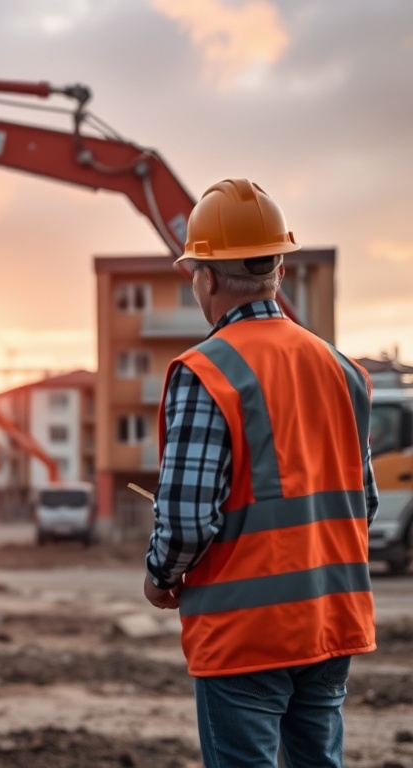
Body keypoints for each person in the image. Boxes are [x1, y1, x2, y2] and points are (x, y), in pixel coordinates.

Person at [143, 179, 378, 767]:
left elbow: (187, 520)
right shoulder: (343, 369)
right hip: (330, 620)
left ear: (207, 278)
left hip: (245, 631)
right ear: (278, 269)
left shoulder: (206, 371)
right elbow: (364, 502)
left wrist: (160, 575)